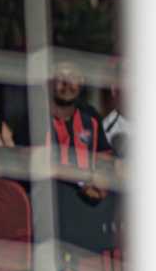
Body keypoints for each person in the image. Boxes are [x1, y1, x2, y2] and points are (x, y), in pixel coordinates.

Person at [46, 61, 114, 202]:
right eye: (61, 78)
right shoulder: (36, 118)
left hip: (89, 204)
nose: (67, 84)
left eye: (73, 77)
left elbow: (104, 156)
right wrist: (81, 182)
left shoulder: (90, 116)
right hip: (50, 205)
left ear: (82, 81)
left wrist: (103, 182)